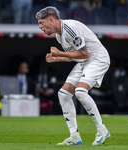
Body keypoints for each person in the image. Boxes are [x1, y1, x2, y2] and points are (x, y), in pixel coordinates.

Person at [36, 6, 110, 145]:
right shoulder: (59, 36)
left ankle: (102, 130)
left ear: (51, 20)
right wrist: (58, 58)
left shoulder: (70, 28)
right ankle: (75, 136)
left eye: (41, 23)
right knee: (63, 94)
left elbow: (84, 53)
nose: (40, 27)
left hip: (97, 59)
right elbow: (75, 56)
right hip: (85, 62)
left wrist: (60, 54)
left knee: (80, 92)